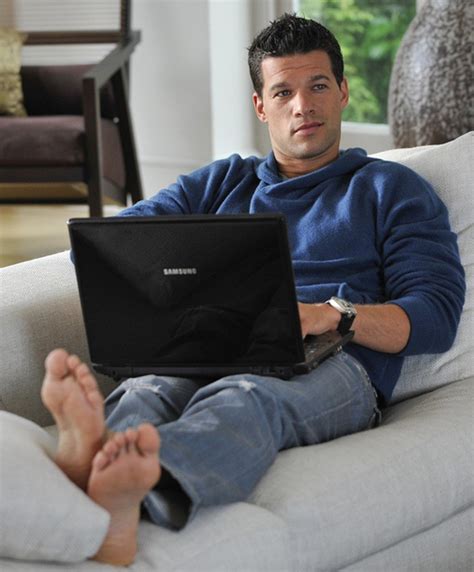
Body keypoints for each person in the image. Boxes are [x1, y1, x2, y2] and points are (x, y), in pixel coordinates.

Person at [41, 13, 465, 566]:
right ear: (261, 106)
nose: (302, 105)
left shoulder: (393, 189)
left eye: (317, 86)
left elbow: (434, 315)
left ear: (342, 92)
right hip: (210, 344)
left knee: (245, 399)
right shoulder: (222, 182)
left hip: (334, 361)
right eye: (283, 92)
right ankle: (92, 465)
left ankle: (133, 486)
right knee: (148, 390)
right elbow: (108, 247)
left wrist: (334, 315)